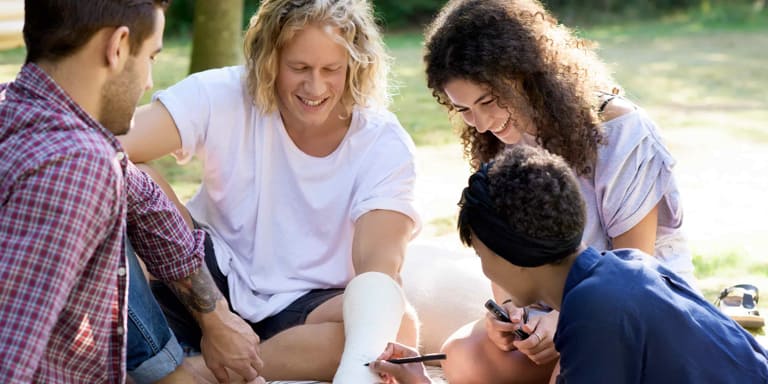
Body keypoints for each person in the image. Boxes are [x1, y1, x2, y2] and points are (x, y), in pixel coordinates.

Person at [118, 0, 421, 382]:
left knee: (396, 325)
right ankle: (203, 355)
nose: (315, 87)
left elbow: (378, 270)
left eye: (331, 70)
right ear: (269, 61)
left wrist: (374, 316)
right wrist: (217, 320)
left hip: (309, 304)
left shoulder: (382, 142)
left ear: (356, 66)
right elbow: (106, 145)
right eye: (299, 68)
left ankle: (197, 373)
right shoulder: (221, 93)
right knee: (130, 175)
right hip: (207, 277)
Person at [421, 0, 696, 381]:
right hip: (551, 313)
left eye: (487, 100)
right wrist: (510, 316)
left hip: (634, 310)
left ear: (525, 73)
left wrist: (566, 319)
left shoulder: (619, 130)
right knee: (461, 357)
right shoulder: (496, 141)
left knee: (572, 367)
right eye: (464, 109)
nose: (481, 122)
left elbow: (633, 270)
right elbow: (504, 254)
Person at [0, 1, 263, 383]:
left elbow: (150, 208)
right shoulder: (77, 164)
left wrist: (215, 317)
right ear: (118, 46)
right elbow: (13, 352)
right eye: (151, 56)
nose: (149, 82)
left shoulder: (22, 110)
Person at [370, 145, 768, 383]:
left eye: (481, 255)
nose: (485, 270)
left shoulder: (595, 314)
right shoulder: (623, 267)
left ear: (511, 255)